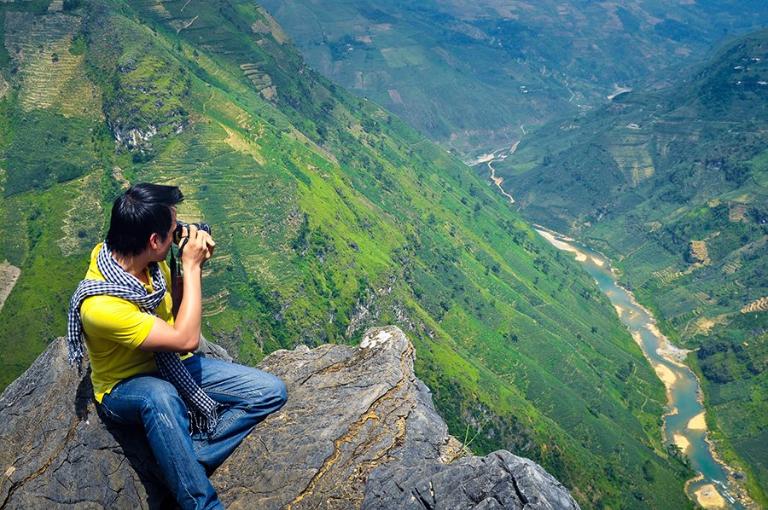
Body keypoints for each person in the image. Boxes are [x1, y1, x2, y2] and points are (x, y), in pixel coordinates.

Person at [67, 183, 287, 509]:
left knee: (269, 391)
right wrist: (193, 267)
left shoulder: (145, 263)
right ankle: (201, 502)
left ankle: (184, 459)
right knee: (160, 396)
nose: (178, 233)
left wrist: (188, 268)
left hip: (170, 363)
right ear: (154, 241)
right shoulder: (102, 306)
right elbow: (186, 339)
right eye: (173, 231)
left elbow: (178, 313)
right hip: (124, 386)